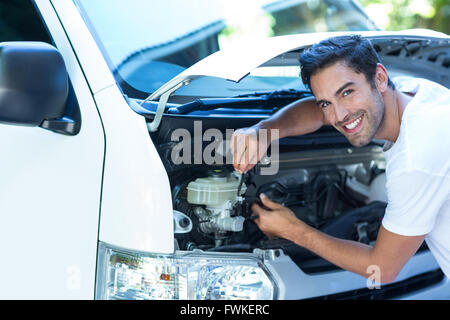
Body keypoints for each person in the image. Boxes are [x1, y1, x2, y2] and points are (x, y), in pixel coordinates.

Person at [230, 34, 450, 283]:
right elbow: (318, 114)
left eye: (346, 93)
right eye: (326, 102)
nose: (339, 116)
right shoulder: (416, 92)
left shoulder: (416, 157)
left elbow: (382, 268)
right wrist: (264, 130)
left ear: (379, 78)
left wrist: (293, 230)